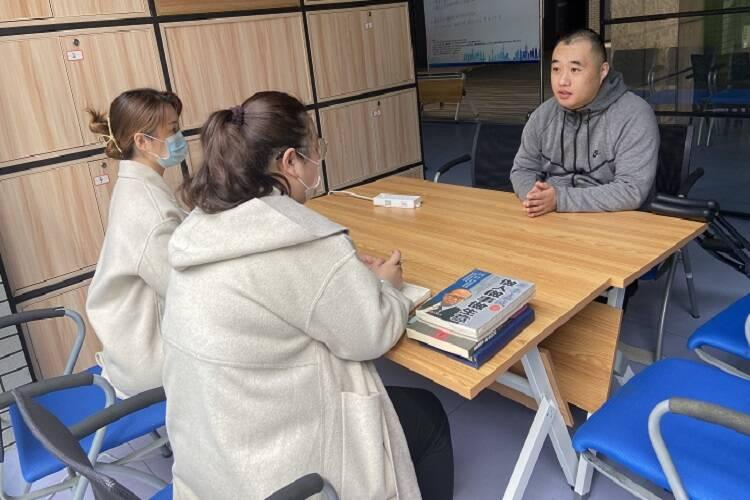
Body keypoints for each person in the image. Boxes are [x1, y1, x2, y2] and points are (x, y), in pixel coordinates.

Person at [161, 91, 454, 499]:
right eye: (316, 149)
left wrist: (345, 277)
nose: (319, 158)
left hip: (209, 466)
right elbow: (371, 335)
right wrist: (387, 285)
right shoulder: (302, 240)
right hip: (280, 476)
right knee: (429, 414)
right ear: (290, 162)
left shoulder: (199, 231)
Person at [86, 88, 187, 397]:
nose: (180, 137)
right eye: (172, 130)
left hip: (127, 348)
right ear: (142, 141)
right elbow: (186, 290)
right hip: (149, 364)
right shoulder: (148, 207)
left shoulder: (135, 185)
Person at [510, 29, 659, 217]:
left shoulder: (633, 114)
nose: (562, 81)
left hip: (616, 222)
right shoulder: (542, 116)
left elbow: (631, 190)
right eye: (556, 69)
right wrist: (534, 198)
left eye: (574, 70)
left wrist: (560, 199)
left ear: (602, 71)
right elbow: (523, 169)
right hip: (552, 218)